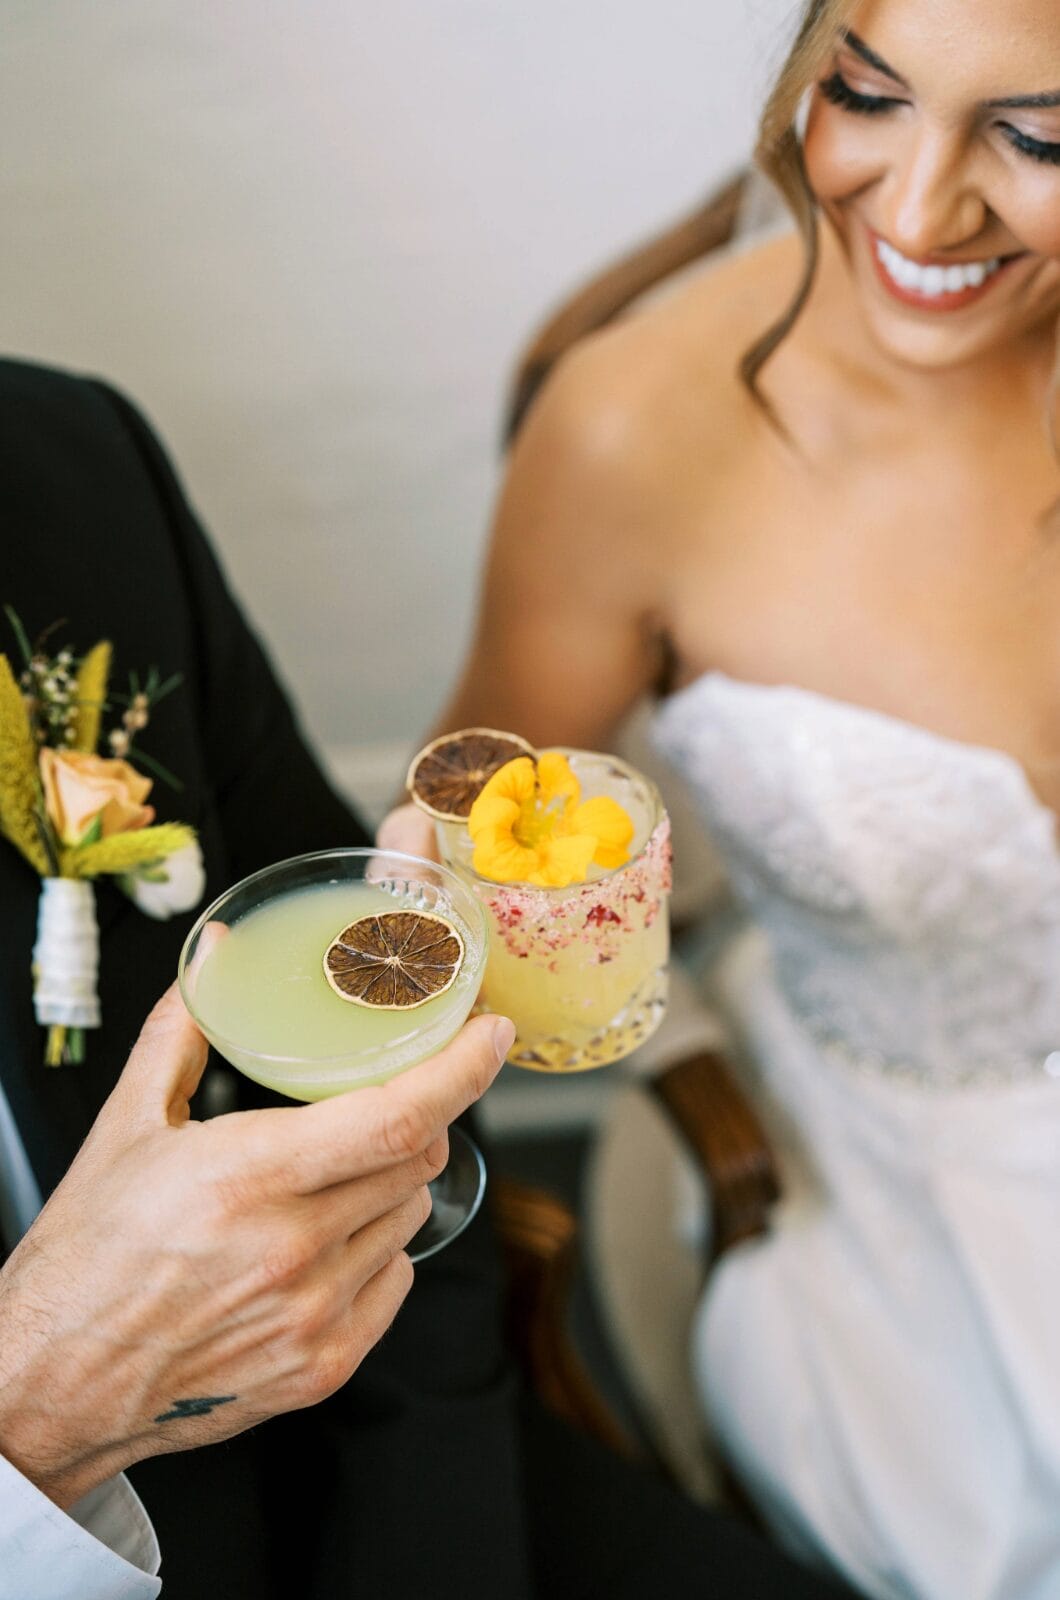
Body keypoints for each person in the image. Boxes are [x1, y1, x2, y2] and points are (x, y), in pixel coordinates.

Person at [379, 0, 1060, 1596]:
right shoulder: (631, 432)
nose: (913, 209)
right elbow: (465, 856)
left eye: (1037, 138)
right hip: (916, 1201)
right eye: (868, 96)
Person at [0, 357, 852, 1598]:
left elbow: (379, 1013)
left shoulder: (68, 463)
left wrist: (430, 1544)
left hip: (348, 1448)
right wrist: (36, 1402)